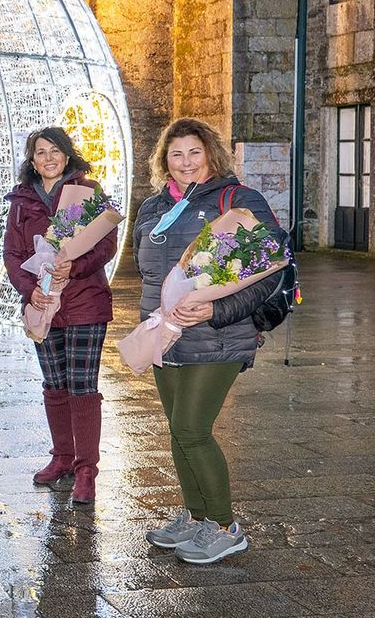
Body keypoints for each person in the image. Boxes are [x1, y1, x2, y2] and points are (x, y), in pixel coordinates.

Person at [134, 118, 284, 565]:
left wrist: (215, 310)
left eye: (194, 153)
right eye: (176, 154)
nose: (185, 162)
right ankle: (197, 516)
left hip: (218, 336)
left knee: (191, 430)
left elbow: (270, 270)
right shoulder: (153, 208)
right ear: (165, 160)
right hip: (166, 335)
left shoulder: (236, 199)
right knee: (178, 433)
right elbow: (150, 275)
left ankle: (225, 526)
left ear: (210, 154)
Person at [3, 127, 116, 504]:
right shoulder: (21, 201)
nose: (48, 158)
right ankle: (62, 458)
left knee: (82, 386)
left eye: (55, 151)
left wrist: (76, 266)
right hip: (43, 305)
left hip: (85, 303)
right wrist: (28, 289)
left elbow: (106, 244)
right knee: (54, 385)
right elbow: (13, 254)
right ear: (31, 160)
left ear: (67, 156)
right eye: (40, 152)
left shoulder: (88, 194)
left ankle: (86, 469)